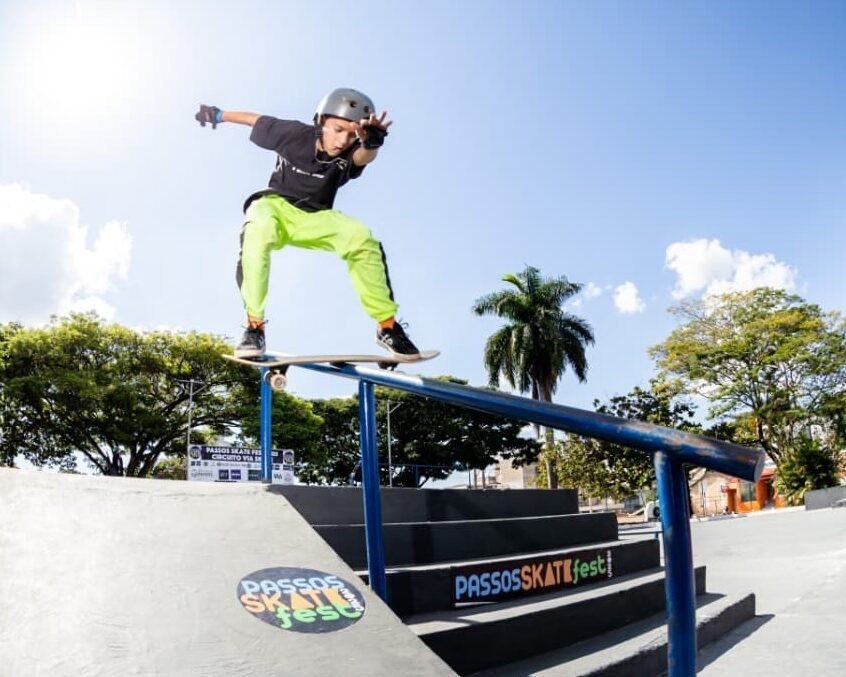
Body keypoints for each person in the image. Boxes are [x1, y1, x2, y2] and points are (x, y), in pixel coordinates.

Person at [195, 88, 420, 359]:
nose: (342, 140)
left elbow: (363, 158)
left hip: (317, 218)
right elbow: (254, 119)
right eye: (337, 129)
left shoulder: (351, 151)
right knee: (258, 227)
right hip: (276, 207)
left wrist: (371, 144)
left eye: (351, 135)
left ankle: (387, 327)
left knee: (360, 236)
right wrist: (218, 115)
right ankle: (254, 327)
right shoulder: (291, 133)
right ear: (320, 121)